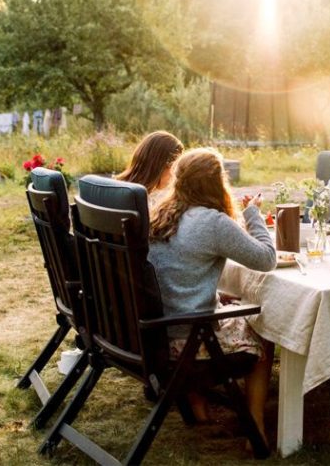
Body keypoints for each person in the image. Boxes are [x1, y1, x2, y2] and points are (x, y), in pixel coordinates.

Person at [149, 148, 276, 437]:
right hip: (188, 342)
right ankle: (255, 423)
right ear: (217, 181)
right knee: (264, 328)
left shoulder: (160, 212)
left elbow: (178, 268)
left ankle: (198, 405)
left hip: (155, 336)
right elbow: (266, 259)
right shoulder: (213, 222)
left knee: (222, 308)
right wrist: (253, 214)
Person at [116, 130, 183, 208]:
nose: (176, 174)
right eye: (175, 167)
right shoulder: (157, 203)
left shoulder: (116, 189)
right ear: (161, 166)